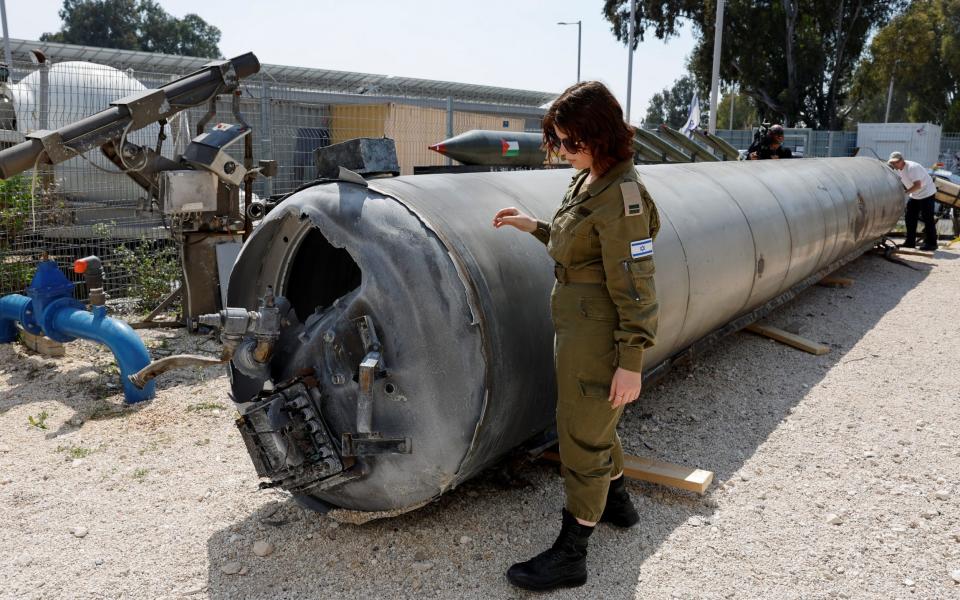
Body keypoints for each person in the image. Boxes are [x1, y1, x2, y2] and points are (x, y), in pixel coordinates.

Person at [491, 81, 659, 591]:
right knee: (593, 419)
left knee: (581, 432)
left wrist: (631, 360)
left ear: (600, 136)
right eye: (557, 141)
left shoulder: (622, 197)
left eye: (569, 142)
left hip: (600, 331)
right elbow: (579, 245)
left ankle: (572, 553)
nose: (561, 151)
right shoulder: (591, 180)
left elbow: (636, 288)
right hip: (578, 322)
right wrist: (535, 227)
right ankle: (618, 505)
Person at [888, 151, 939, 251]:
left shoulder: (912, 168)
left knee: (928, 218)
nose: (894, 164)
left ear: (902, 160)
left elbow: (917, 185)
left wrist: (905, 193)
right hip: (916, 195)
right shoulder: (898, 169)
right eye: (893, 162)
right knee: (910, 218)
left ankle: (932, 243)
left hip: (926, 194)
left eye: (896, 162)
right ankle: (910, 242)